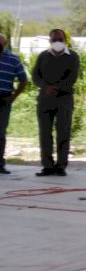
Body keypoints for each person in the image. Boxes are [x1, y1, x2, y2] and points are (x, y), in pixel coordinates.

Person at [32, 29, 80, 176]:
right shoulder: (43, 56)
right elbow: (35, 75)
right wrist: (45, 87)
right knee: (45, 133)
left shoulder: (73, 56)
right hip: (45, 99)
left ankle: (61, 165)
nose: (57, 42)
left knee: (63, 132)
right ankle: (47, 165)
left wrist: (57, 88)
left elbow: (72, 77)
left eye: (60, 39)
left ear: (65, 40)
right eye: (54, 40)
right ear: (50, 41)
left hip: (64, 99)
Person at [0, 33, 28, 174]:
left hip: (3, 100)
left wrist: (14, 96)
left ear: (4, 45)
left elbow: (23, 79)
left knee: (0, 133)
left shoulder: (13, 59)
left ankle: (0, 164)